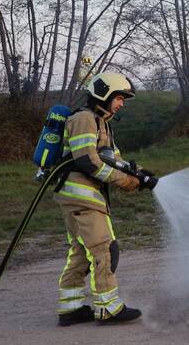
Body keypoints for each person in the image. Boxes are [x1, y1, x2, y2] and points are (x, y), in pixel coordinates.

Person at [54, 72, 155, 326]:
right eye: (119, 98)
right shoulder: (84, 119)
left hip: (81, 197)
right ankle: (108, 308)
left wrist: (140, 175)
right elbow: (87, 161)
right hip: (81, 196)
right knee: (104, 249)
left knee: (81, 252)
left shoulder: (102, 123)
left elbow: (115, 160)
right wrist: (124, 181)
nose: (121, 104)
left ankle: (71, 307)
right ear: (103, 93)